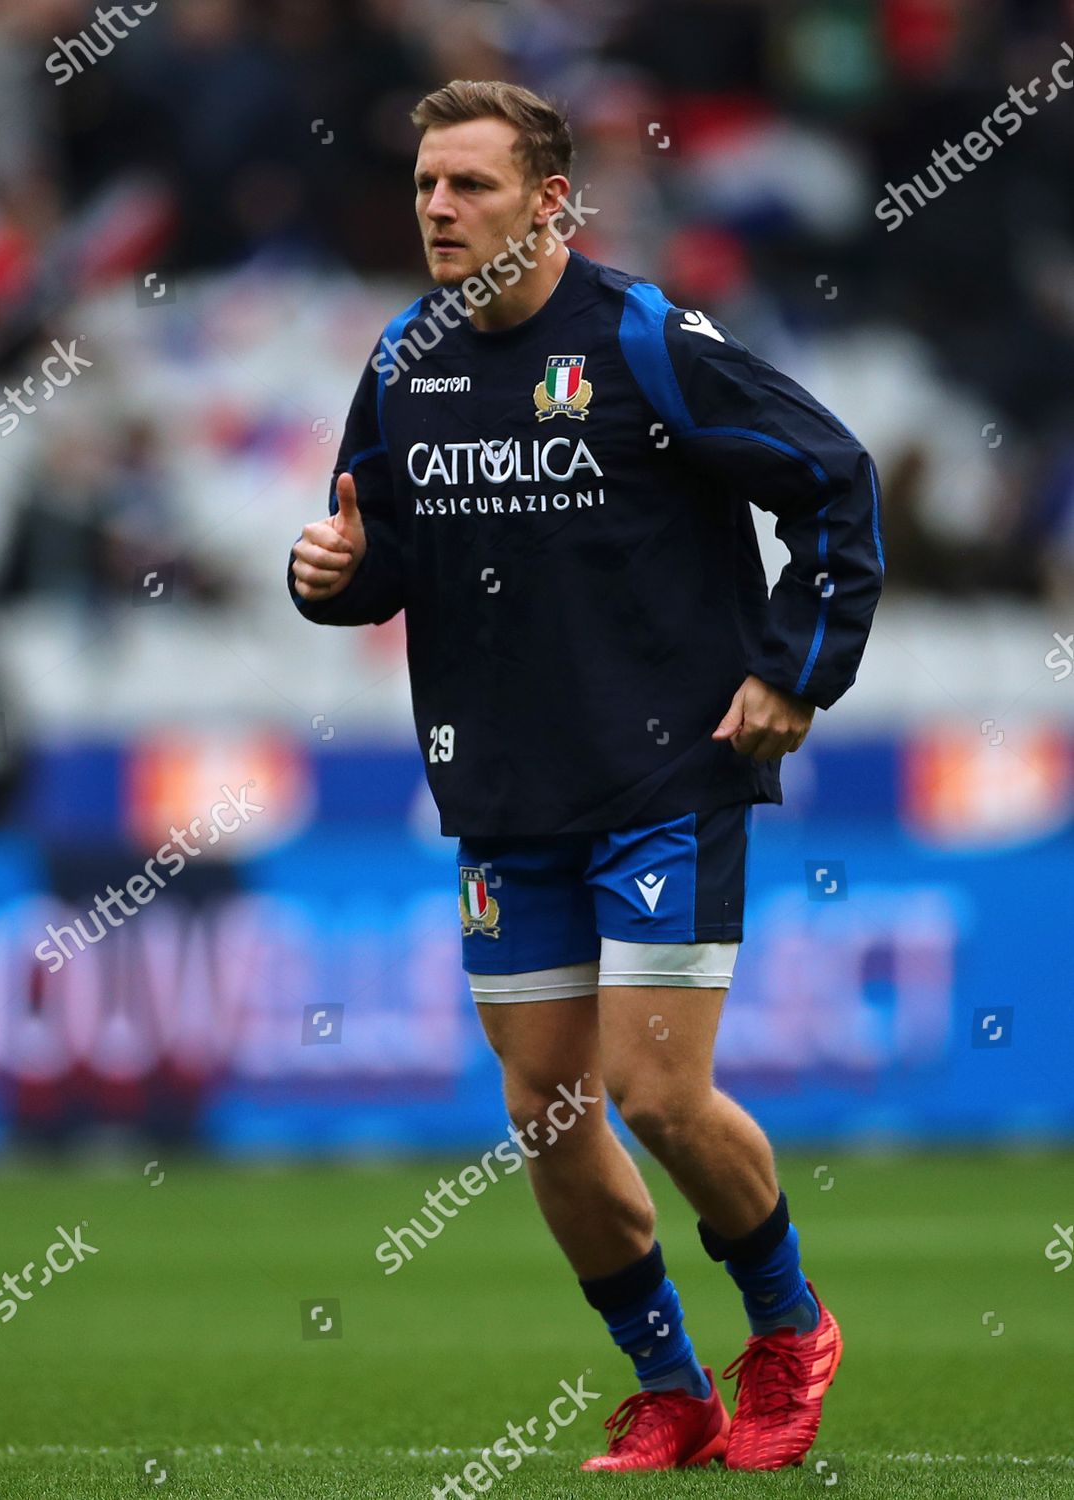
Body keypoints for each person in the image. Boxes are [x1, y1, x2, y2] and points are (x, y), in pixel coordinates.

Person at [288, 78, 883, 1473]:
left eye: (471, 186)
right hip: (501, 788)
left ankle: (788, 1330)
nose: (438, 209)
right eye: (429, 184)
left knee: (656, 1093)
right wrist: (325, 577)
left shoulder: (640, 339)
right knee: (543, 1111)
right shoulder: (403, 356)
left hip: (663, 772)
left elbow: (832, 478)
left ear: (550, 202)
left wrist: (797, 670)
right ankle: (669, 1387)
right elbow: (372, 550)